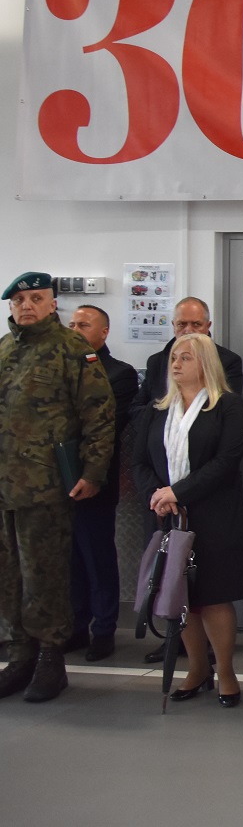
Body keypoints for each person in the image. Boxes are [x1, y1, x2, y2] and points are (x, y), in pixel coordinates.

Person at [0, 272, 115, 703]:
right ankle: (20, 655)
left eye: (36, 298)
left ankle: (51, 657)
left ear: (52, 304)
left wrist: (92, 472)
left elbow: (99, 415)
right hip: (4, 487)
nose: (26, 306)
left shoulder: (72, 350)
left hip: (46, 486)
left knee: (44, 574)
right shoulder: (4, 349)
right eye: (19, 300)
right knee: (8, 575)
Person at [132, 334, 243, 707]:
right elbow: (139, 461)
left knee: (214, 597)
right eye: (174, 357)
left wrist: (178, 492)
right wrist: (157, 495)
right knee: (179, 595)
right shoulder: (156, 410)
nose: (176, 363)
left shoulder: (226, 406)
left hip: (214, 514)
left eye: (186, 357)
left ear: (205, 364)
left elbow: (226, 461)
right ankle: (197, 669)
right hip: (169, 517)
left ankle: (227, 674)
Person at [64, 305, 138, 663]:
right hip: (56, 481)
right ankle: (76, 627)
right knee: (69, 560)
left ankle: (104, 629)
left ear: (104, 332)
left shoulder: (119, 374)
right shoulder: (59, 367)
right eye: (72, 324)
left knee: (97, 557)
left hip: (95, 479)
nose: (75, 329)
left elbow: (106, 424)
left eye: (84, 324)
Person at [136, 297, 243, 412]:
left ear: (207, 326)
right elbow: (137, 408)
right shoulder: (156, 362)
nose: (188, 330)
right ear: (174, 326)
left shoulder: (227, 361)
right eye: (181, 324)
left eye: (196, 324)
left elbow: (228, 408)